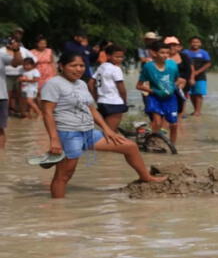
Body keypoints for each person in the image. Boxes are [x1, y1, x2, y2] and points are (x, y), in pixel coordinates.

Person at [41, 52, 166, 198]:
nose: (78, 69)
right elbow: (47, 113)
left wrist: (107, 129)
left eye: (81, 65)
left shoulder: (81, 84)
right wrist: (54, 139)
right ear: (61, 66)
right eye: (73, 65)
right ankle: (57, 209)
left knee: (130, 146)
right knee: (64, 175)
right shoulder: (53, 84)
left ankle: (146, 177)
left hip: (88, 132)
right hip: (68, 134)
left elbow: (91, 109)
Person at [136, 41, 185, 144]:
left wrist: (177, 85)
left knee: (174, 125)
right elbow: (139, 86)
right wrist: (153, 91)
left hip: (170, 99)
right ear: (154, 53)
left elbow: (177, 79)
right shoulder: (148, 67)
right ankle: (153, 142)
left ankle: (173, 146)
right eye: (162, 52)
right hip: (155, 98)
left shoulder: (172, 65)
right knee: (157, 122)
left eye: (167, 53)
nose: (165, 55)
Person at [87, 44, 128, 132]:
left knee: (108, 130)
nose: (119, 59)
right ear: (108, 56)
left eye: (121, 57)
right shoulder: (116, 69)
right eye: (117, 57)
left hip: (102, 102)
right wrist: (124, 101)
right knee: (110, 133)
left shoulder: (102, 67)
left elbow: (90, 83)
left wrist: (96, 97)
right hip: (115, 103)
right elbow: (121, 88)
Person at [0, 36, 36, 116]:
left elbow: (34, 59)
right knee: (7, 95)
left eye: (13, 42)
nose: (10, 44)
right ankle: (6, 113)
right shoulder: (1, 51)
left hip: (20, 75)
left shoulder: (23, 50)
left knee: (21, 95)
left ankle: (23, 112)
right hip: (6, 76)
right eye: (9, 42)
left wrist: (28, 66)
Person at [164, 36, 194, 120]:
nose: (172, 47)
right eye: (169, 45)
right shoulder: (163, 56)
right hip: (167, 82)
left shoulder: (184, 56)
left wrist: (189, 80)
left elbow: (189, 70)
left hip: (183, 82)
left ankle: (180, 117)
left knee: (182, 98)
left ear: (178, 46)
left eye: (174, 45)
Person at [182, 36, 210, 116]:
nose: (195, 44)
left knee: (198, 94)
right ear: (190, 43)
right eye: (193, 42)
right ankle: (184, 111)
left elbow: (208, 63)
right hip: (187, 76)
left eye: (197, 42)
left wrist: (197, 72)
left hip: (200, 76)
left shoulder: (204, 53)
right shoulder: (185, 52)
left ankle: (197, 111)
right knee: (188, 94)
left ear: (200, 43)